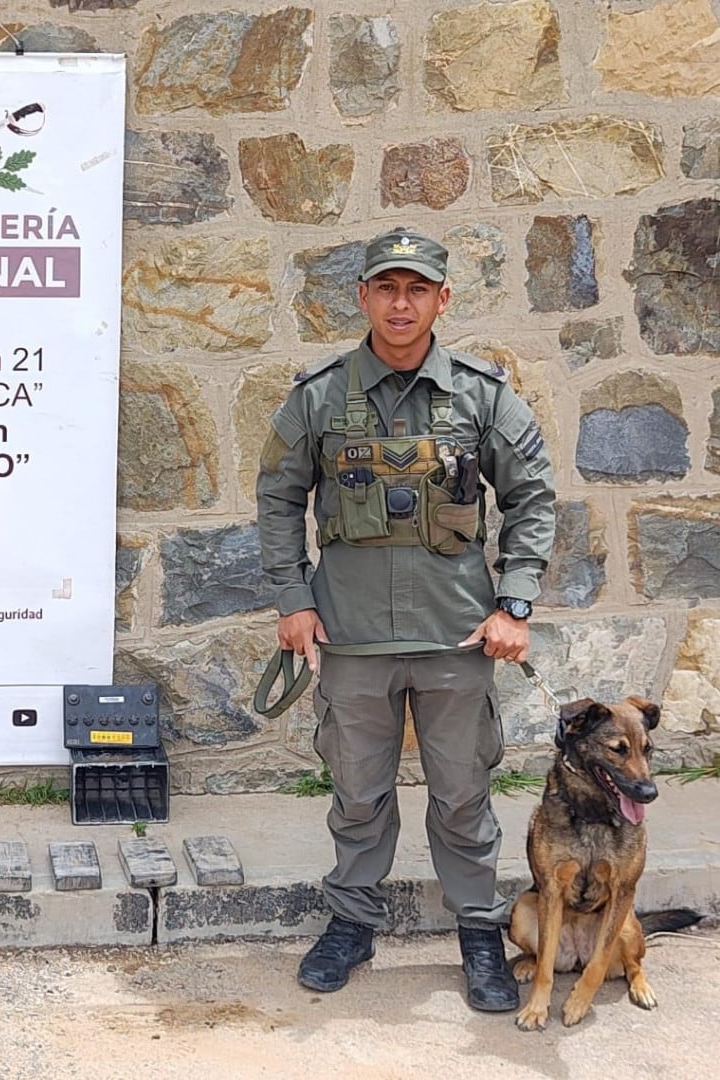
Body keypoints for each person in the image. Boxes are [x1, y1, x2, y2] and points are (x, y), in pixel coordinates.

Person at [255, 227, 556, 1012]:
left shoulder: (482, 395)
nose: (399, 303)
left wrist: (513, 603)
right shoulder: (318, 394)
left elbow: (531, 499)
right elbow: (278, 497)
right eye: (385, 288)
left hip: (454, 634)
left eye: (416, 289)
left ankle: (478, 934)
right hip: (349, 635)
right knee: (357, 792)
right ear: (361, 297)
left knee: (461, 794)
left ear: (441, 299)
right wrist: (291, 599)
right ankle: (352, 924)